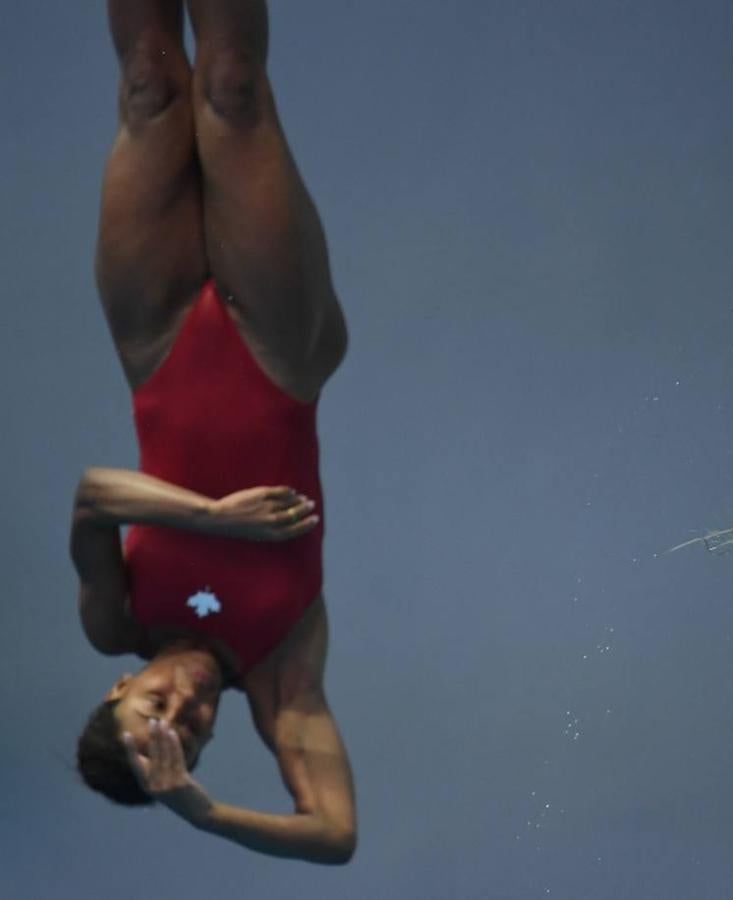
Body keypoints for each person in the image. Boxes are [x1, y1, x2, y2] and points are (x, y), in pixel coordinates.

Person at [72, 0, 355, 863]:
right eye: (191, 738)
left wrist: (217, 519)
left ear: (124, 683)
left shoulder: (119, 621)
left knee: (150, 87)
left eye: (153, 708)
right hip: (280, 353)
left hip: (154, 346)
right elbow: (336, 837)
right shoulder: (279, 674)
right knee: (230, 87)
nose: (184, 711)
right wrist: (201, 811)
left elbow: (93, 497)